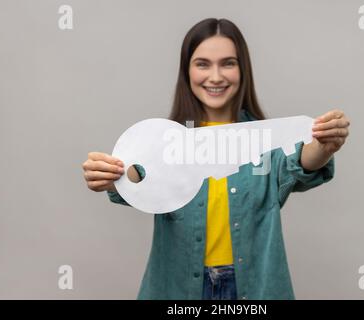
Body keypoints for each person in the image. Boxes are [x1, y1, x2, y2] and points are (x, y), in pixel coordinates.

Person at [82, 18, 350, 300]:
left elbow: (304, 161)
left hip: (254, 289)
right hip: (179, 290)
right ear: (187, 71)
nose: (216, 76)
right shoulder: (164, 142)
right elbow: (138, 175)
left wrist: (325, 143)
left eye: (228, 63)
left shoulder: (264, 141)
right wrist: (111, 176)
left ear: (242, 70)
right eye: (203, 64)